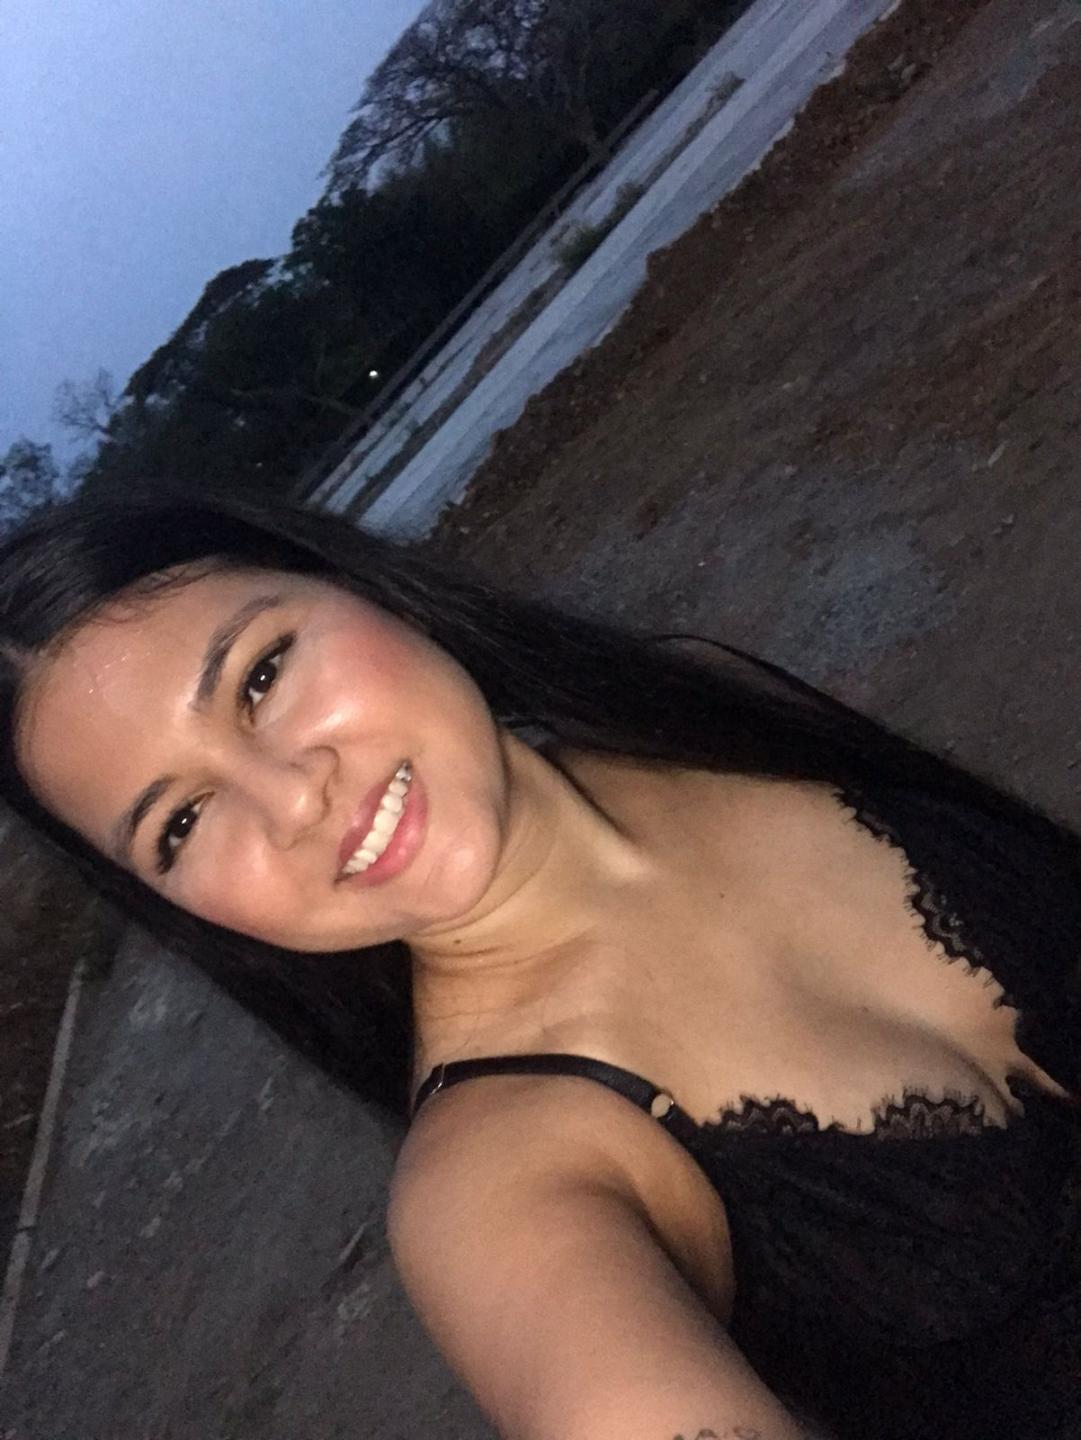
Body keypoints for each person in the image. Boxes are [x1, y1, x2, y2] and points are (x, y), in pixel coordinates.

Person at [1, 489, 1077, 1440]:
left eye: (261, 676)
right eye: (183, 823)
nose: (294, 799)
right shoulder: (496, 1190)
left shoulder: (693, 700)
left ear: (356, 584)